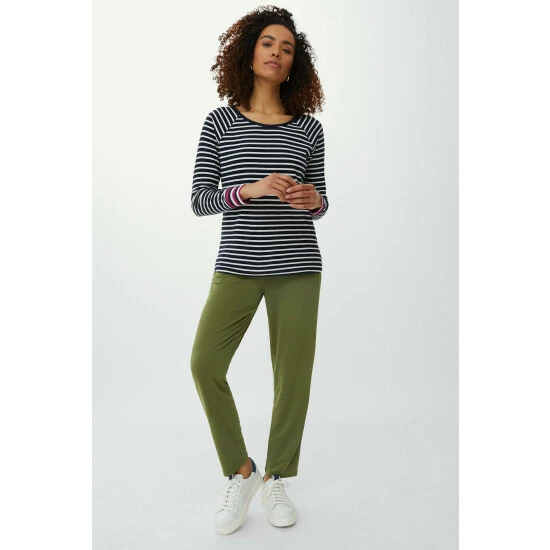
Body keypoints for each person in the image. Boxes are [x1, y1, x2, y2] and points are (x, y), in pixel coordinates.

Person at [189, 6, 329, 535]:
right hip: (238, 265)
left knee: (292, 378)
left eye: (287, 48)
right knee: (205, 363)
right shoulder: (220, 122)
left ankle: (277, 478)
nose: (277, 52)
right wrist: (249, 189)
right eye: (269, 43)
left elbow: (320, 202)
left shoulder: (308, 129)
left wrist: (312, 200)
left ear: (294, 64)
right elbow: (201, 200)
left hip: (298, 266)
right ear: (249, 54)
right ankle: (241, 470)